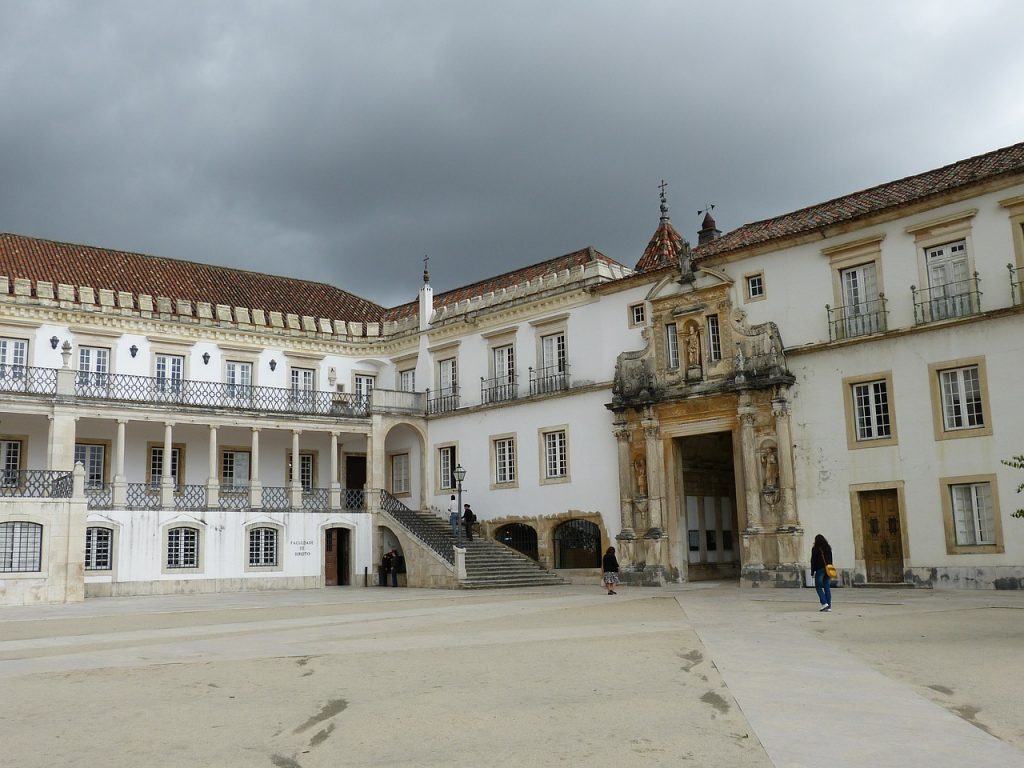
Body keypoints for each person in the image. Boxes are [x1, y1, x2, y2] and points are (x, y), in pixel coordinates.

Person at [810, 533, 833, 612]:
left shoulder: (815, 549)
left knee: (818, 587)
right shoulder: (828, 547)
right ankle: (829, 606)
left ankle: (824, 603)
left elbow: (813, 561)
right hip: (828, 569)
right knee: (827, 587)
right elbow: (831, 558)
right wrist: (830, 568)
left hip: (820, 569)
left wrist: (812, 571)